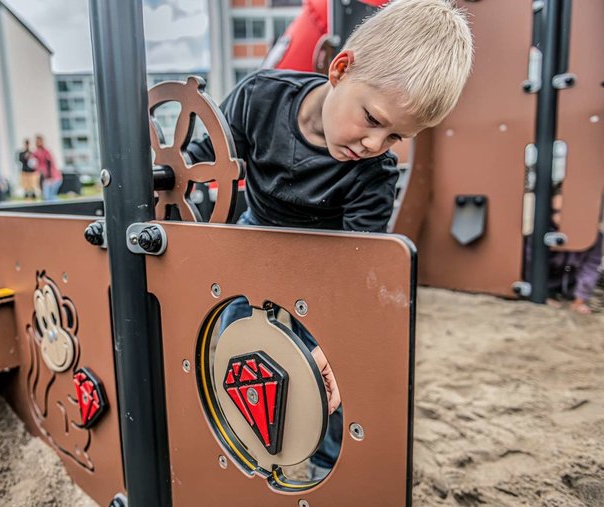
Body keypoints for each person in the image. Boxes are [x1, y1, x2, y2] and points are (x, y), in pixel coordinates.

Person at [186, 0, 473, 480]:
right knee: (234, 340)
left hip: (324, 267)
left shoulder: (373, 173)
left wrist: (330, 346)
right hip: (255, 240)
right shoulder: (260, 97)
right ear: (340, 70)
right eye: (374, 120)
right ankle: (243, 439)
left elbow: (358, 266)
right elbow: (202, 156)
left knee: (328, 376)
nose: (374, 145)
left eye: (395, 138)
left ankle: (322, 464)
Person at [34, 135, 62, 202]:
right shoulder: (36, 153)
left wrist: (50, 177)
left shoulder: (46, 152)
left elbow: (50, 164)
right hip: (46, 178)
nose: (37, 143)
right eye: (36, 141)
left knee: (50, 197)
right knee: (47, 197)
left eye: (39, 141)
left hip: (53, 178)